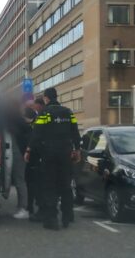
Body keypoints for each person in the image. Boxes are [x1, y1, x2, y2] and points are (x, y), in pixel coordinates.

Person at [25, 87, 81, 230]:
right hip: (65, 153)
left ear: (46, 98)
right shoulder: (68, 112)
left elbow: (37, 134)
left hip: (49, 154)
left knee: (49, 186)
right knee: (65, 185)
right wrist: (77, 150)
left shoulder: (45, 113)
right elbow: (75, 132)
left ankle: (52, 220)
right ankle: (67, 216)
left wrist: (29, 149)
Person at [5, 98, 31, 219]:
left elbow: (26, 134)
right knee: (19, 180)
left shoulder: (16, 120)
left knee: (20, 180)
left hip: (18, 153)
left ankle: (23, 208)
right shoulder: (17, 119)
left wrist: (26, 150)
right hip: (18, 152)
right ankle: (22, 207)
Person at [25, 98, 45, 222]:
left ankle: (34, 208)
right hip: (41, 158)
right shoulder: (37, 123)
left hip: (34, 158)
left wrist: (28, 150)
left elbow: (34, 139)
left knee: (33, 184)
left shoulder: (33, 125)